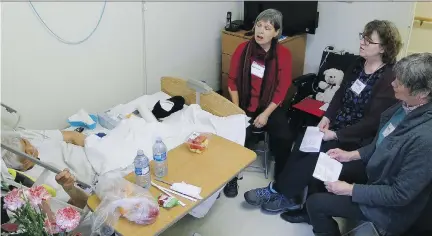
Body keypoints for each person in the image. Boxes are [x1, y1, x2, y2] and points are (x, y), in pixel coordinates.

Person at [243, 20, 403, 212]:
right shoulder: (358, 64)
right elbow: (339, 94)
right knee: (304, 140)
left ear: (384, 48)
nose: (362, 43)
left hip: (356, 137)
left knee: (317, 153)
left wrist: (336, 134)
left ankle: (277, 190)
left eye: (369, 41)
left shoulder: (388, 78)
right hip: (336, 124)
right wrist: (327, 117)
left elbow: (372, 122)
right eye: (363, 37)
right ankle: (290, 195)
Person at [305, 52, 432, 236]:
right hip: (377, 172)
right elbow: (381, 143)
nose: (393, 83)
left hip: (390, 208)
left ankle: (319, 215)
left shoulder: (425, 139)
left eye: (401, 82)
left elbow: (399, 195)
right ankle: (318, 216)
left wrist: (350, 190)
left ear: (422, 94)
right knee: (320, 171)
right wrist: (349, 155)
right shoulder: (404, 107)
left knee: (315, 204)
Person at [223, 9, 293, 198]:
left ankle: (281, 182)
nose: (261, 31)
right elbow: (232, 81)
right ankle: (231, 178)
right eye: (259, 26)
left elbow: (282, 88)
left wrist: (266, 114)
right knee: (235, 134)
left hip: (269, 106)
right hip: (244, 103)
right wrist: (237, 110)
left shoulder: (283, 54)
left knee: (285, 137)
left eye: (267, 28)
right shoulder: (242, 50)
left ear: (276, 33)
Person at [1, 130, 96, 185]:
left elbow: (72, 136)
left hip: (94, 153)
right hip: (95, 179)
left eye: (25, 142)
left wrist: (97, 147)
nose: (31, 147)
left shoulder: (28, 136)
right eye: (27, 152)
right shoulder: (35, 181)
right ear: (23, 165)